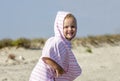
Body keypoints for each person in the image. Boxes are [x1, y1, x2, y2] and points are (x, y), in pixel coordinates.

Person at [29, 11, 82, 81]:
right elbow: (46, 57)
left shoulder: (65, 44)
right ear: (60, 28)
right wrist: (58, 68)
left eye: (72, 26)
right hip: (42, 77)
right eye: (66, 27)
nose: (70, 29)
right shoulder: (56, 41)